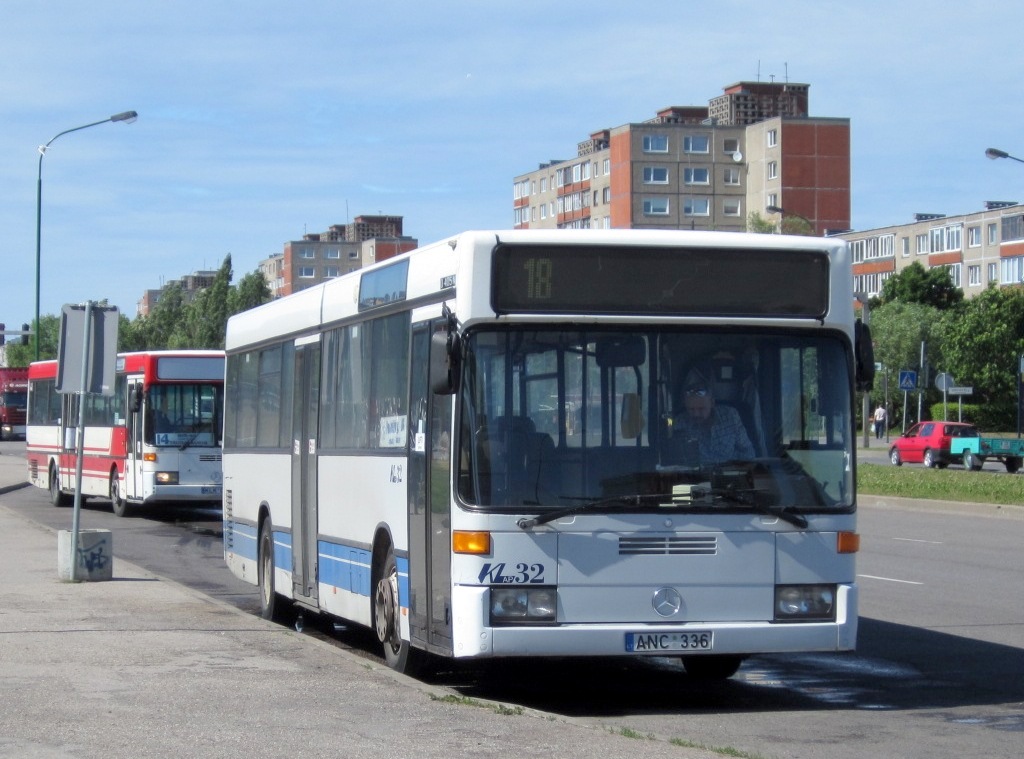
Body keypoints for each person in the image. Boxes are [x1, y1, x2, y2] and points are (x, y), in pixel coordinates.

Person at [671, 361, 755, 466]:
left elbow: (748, 452)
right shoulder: (679, 423)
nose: (696, 414)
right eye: (691, 409)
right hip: (694, 479)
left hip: (731, 476)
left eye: (701, 409)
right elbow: (673, 461)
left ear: (712, 403)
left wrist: (737, 468)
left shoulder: (731, 416)